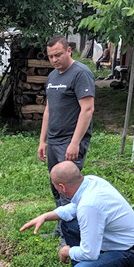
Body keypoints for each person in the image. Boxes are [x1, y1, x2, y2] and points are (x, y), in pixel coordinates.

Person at [20, 162, 134, 267]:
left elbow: (90, 253)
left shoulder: (89, 206)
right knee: (68, 224)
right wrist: (46, 216)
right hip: (119, 243)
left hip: (132, 254)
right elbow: (75, 207)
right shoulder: (91, 182)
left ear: (62, 187)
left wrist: (67, 251)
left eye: (54, 185)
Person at [38, 35, 95, 205]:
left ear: (69, 50)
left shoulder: (80, 73)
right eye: (50, 56)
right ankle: (62, 220)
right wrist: (42, 141)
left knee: (68, 188)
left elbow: (87, 109)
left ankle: (75, 221)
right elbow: (48, 109)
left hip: (70, 140)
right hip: (54, 140)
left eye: (58, 55)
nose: (54, 60)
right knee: (56, 184)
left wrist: (75, 143)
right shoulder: (52, 77)